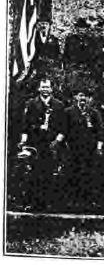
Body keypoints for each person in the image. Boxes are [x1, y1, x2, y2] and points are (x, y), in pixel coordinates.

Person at [17, 78, 67, 210]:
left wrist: (57, 141)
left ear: (51, 89)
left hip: (52, 144)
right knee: (34, 173)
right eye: (43, 87)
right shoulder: (32, 104)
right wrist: (23, 141)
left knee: (49, 173)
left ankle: (48, 203)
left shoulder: (59, 105)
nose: (45, 89)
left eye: (47, 87)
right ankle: (33, 203)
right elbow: (25, 126)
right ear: (39, 88)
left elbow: (64, 128)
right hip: (35, 144)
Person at [63, 87, 104, 210]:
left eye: (85, 96)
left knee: (89, 174)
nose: (83, 98)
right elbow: (64, 130)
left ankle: (88, 202)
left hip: (90, 149)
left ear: (89, 99)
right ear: (75, 97)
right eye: (80, 95)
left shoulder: (94, 113)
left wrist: (99, 147)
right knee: (73, 173)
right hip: (73, 149)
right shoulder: (69, 112)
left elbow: (100, 132)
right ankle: (72, 202)